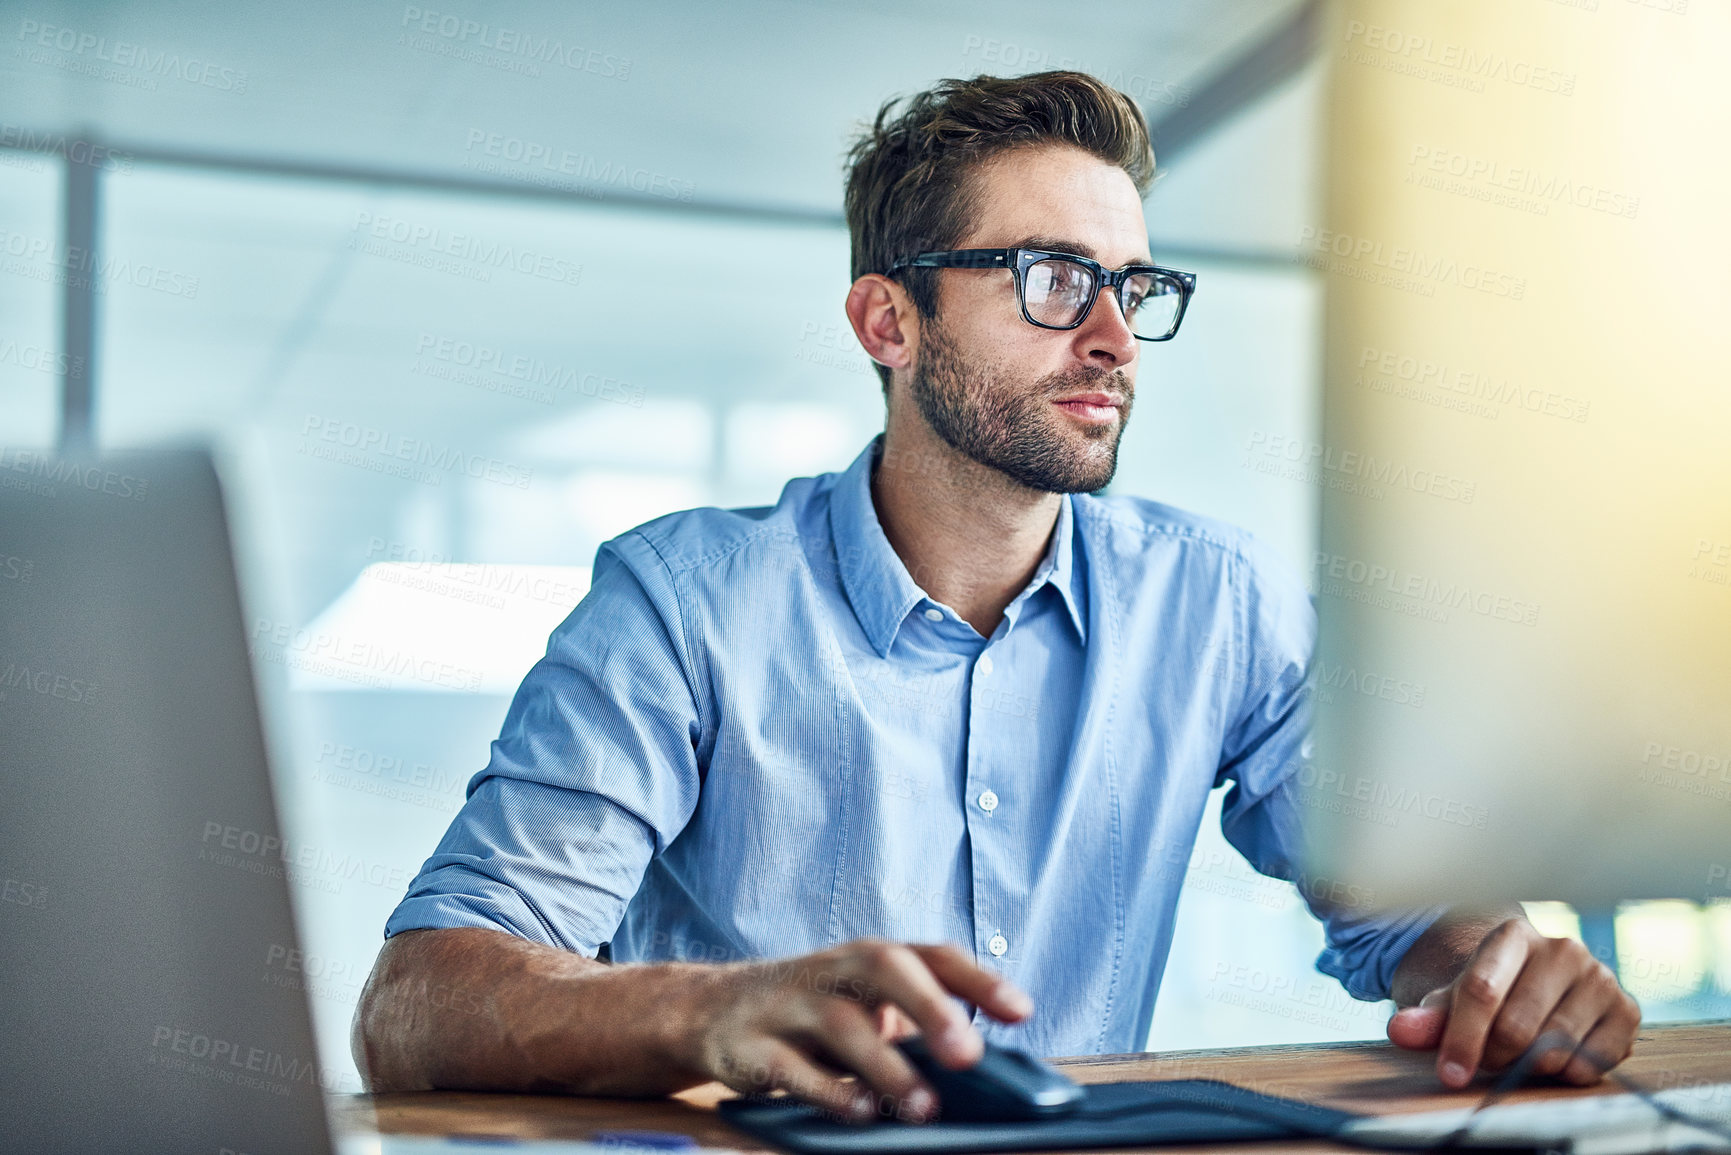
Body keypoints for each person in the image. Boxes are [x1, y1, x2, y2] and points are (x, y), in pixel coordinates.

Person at [354, 71, 1639, 1122]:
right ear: (887, 323)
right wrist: (708, 1011)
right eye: (1052, 276)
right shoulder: (683, 600)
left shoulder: (1217, 601)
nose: (1116, 338)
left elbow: (1410, 902)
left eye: (1132, 287)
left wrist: (1501, 970)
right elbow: (417, 1000)